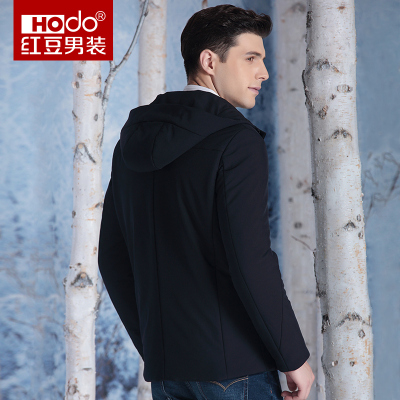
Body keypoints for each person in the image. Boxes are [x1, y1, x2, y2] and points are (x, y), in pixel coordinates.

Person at [98, 4, 314, 400]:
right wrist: (294, 357)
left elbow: (112, 258)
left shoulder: (132, 140)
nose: (263, 72)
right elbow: (251, 260)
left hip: (169, 372)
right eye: (251, 58)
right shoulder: (237, 141)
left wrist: (158, 349)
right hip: (237, 369)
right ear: (210, 61)